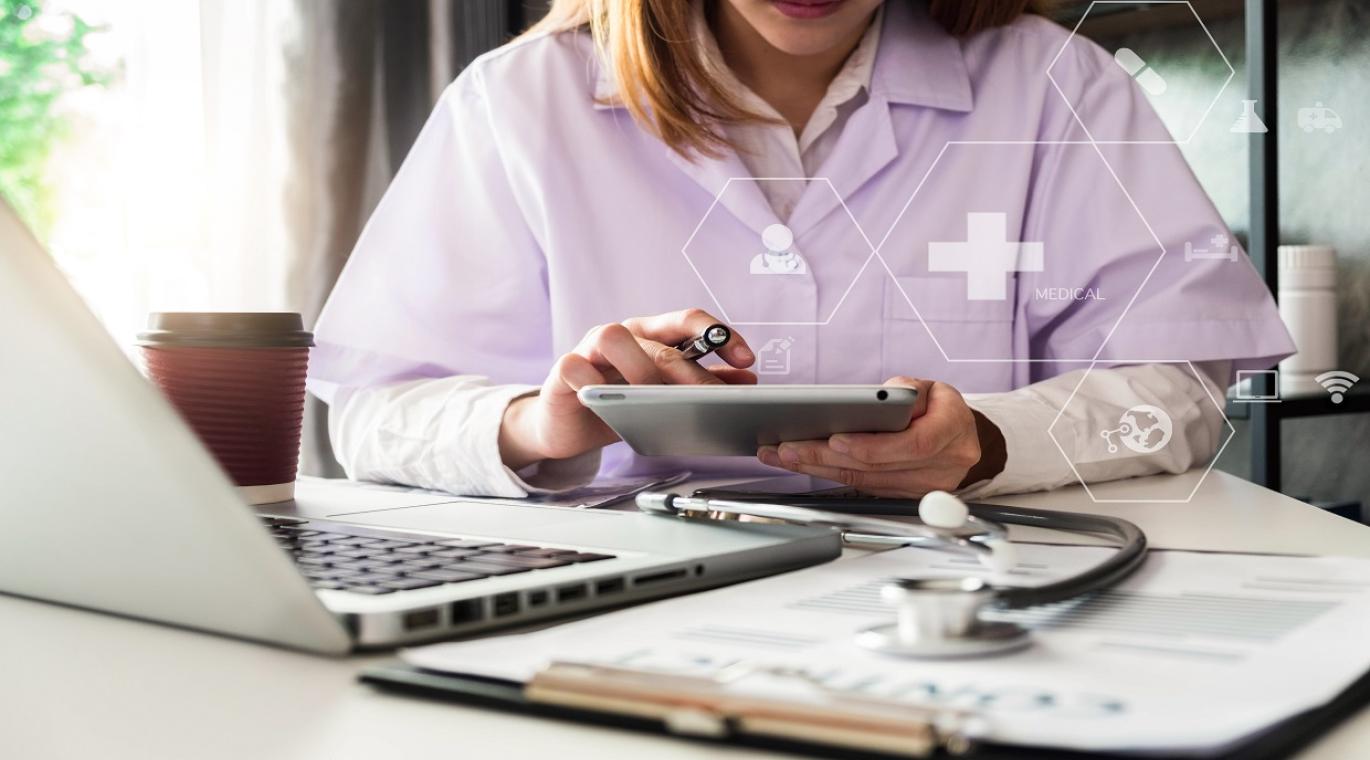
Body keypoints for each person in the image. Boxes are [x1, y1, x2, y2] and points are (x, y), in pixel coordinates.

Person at [308, 0, 1293, 499]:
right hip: (617, 614)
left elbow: (1178, 392)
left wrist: (983, 441)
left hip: (964, 610)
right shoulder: (516, 102)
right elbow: (372, 414)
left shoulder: (1055, 89)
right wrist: (537, 423)